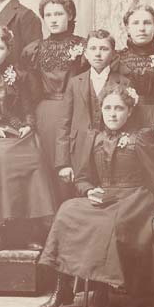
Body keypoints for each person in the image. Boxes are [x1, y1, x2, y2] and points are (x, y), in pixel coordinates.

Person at [38, 84, 154, 307]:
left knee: (106, 224)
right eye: (108, 108)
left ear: (129, 111)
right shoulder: (94, 138)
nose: (112, 113)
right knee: (67, 211)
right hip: (104, 196)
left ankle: (101, 290)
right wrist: (89, 190)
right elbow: (81, 178)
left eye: (119, 108)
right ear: (101, 110)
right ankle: (63, 288)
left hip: (134, 200)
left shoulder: (141, 138)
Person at [0, 25, 56, 250]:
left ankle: (29, 230)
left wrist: (28, 126)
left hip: (15, 131)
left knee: (33, 155)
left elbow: (26, 108)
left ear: (8, 50)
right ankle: (3, 231)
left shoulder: (18, 75)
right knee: (4, 160)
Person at [21, 0, 86, 204]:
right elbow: (30, 92)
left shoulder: (85, 47)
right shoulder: (34, 50)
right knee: (48, 170)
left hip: (78, 113)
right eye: (48, 15)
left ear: (70, 15)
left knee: (74, 167)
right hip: (46, 114)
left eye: (59, 13)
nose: (53, 19)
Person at [55, 29, 131, 189]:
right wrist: (63, 163)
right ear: (86, 53)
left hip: (110, 149)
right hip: (79, 149)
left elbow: (129, 120)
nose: (98, 54)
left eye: (104, 49)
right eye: (93, 49)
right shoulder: (75, 82)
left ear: (113, 54)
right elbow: (64, 124)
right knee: (80, 191)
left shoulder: (123, 82)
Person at [114, 5, 154, 128]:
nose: (141, 28)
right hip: (126, 119)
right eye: (135, 23)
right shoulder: (117, 58)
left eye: (147, 23)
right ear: (128, 29)